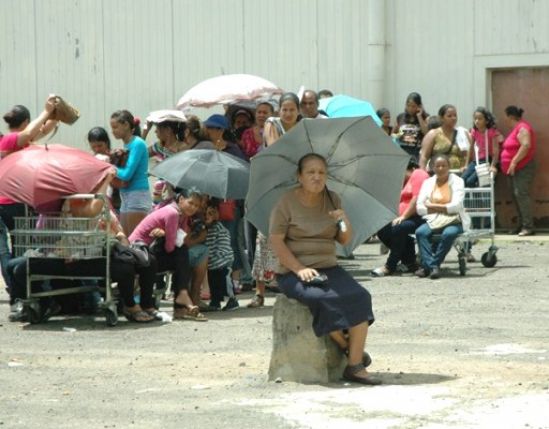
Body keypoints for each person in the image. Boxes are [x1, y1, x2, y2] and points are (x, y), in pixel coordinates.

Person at [270, 153, 380, 385]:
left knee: (360, 297)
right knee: (320, 298)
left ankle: (353, 365)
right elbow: (276, 242)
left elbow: (344, 239)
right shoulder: (286, 203)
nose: (316, 177)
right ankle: (349, 350)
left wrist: (344, 220)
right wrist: (299, 268)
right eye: (310, 172)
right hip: (292, 271)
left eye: (321, 172)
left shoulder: (333, 200)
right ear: (299, 176)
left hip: (328, 267)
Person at [8, 172, 157, 323]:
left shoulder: (97, 201)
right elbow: (91, 210)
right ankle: (130, 305)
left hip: (99, 250)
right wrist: (105, 183)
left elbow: (117, 228)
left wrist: (121, 241)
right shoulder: (74, 200)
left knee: (147, 260)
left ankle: (146, 304)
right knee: (124, 268)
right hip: (75, 256)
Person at [1, 96, 58, 295]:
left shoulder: (19, 142)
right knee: (11, 250)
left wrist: (54, 116)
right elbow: (30, 133)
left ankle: (18, 290)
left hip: (12, 202)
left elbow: (40, 132)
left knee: (14, 249)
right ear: (25, 122)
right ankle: (17, 291)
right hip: (14, 203)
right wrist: (46, 110)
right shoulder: (9, 140)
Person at [248, 92, 301, 308]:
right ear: (279, 110)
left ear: (298, 111)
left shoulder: (303, 128)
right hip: (272, 188)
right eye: (285, 109)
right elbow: (277, 148)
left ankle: (291, 286)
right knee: (265, 237)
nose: (288, 113)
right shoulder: (272, 123)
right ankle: (259, 292)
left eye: (292, 109)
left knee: (293, 238)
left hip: (295, 189)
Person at [129, 189, 207, 321]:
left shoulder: (182, 215)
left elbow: (179, 240)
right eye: (191, 203)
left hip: (151, 252)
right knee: (181, 253)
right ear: (181, 199)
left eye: (196, 206)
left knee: (182, 256)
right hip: (140, 254)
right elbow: (170, 247)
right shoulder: (172, 213)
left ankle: (181, 300)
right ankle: (181, 301)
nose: (193, 208)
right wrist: (170, 235)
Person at [415, 154, 471, 279]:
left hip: (454, 220)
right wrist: (444, 207)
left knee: (448, 234)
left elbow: (456, 207)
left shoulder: (458, 181)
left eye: (444, 165)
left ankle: (430, 266)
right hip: (434, 219)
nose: (441, 168)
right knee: (420, 232)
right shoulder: (428, 183)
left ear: (449, 167)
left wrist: (431, 205)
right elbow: (419, 208)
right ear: (432, 168)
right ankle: (433, 267)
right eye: (437, 166)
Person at [371, 158, 429, 277]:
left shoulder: (419, 173)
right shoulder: (404, 182)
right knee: (382, 230)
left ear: (410, 168)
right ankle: (409, 262)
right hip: (408, 217)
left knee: (398, 228)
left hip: (422, 216)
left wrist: (403, 216)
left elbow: (416, 198)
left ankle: (389, 266)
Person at [110, 110, 151, 236]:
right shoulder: (127, 145)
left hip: (137, 195)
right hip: (127, 196)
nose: (113, 131)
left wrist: (108, 167)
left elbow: (127, 174)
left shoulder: (137, 144)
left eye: (115, 127)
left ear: (126, 125)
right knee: (126, 239)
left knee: (135, 240)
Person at [500, 105, 536, 236]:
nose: (504, 119)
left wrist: (514, 162)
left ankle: (528, 226)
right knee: (516, 196)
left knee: (521, 194)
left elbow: (526, 145)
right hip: (514, 169)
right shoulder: (516, 128)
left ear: (510, 117)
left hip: (523, 168)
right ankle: (521, 225)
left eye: (505, 116)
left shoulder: (522, 128)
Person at [204, 200, 239, 311]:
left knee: (225, 281)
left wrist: (215, 258)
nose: (209, 216)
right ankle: (215, 301)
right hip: (213, 263)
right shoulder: (207, 228)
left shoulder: (217, 228)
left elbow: (220, 247)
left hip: (222, 261)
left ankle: (232, 299)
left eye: (212, 213)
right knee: (213, 282)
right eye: (207, 213)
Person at [419, 104, 471, 172]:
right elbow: (424, 156)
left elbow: (471, 154)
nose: (453, 118)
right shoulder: (433, 134)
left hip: (460, 174)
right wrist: (422, 173)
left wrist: (467, 167)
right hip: (438, 174)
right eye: (449, 116)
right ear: (441, 118)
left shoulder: (462, 133)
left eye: (455, 115)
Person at [461, 107, 503, 188]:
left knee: (471, 181)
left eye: (480, 119)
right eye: (475, 119)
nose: (476, 121)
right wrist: (466, 164)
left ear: (486, 121)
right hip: (477, 160)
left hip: (488, 160)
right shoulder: (474, 131)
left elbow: (496, 150)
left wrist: (493, 165)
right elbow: (471, 148)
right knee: (463, 179)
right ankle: (470, 199)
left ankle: (479, 199)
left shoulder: (491, 132)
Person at [392, 92, 429, 160]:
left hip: (416, 151)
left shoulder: (425, 117)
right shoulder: (400, 117)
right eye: (408, 105)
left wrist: (419, 116)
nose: (410, 108)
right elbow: (393, 134)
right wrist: (398, 135)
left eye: (413, 106)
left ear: (419, 106)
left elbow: (426, 133)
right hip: (402, 150)